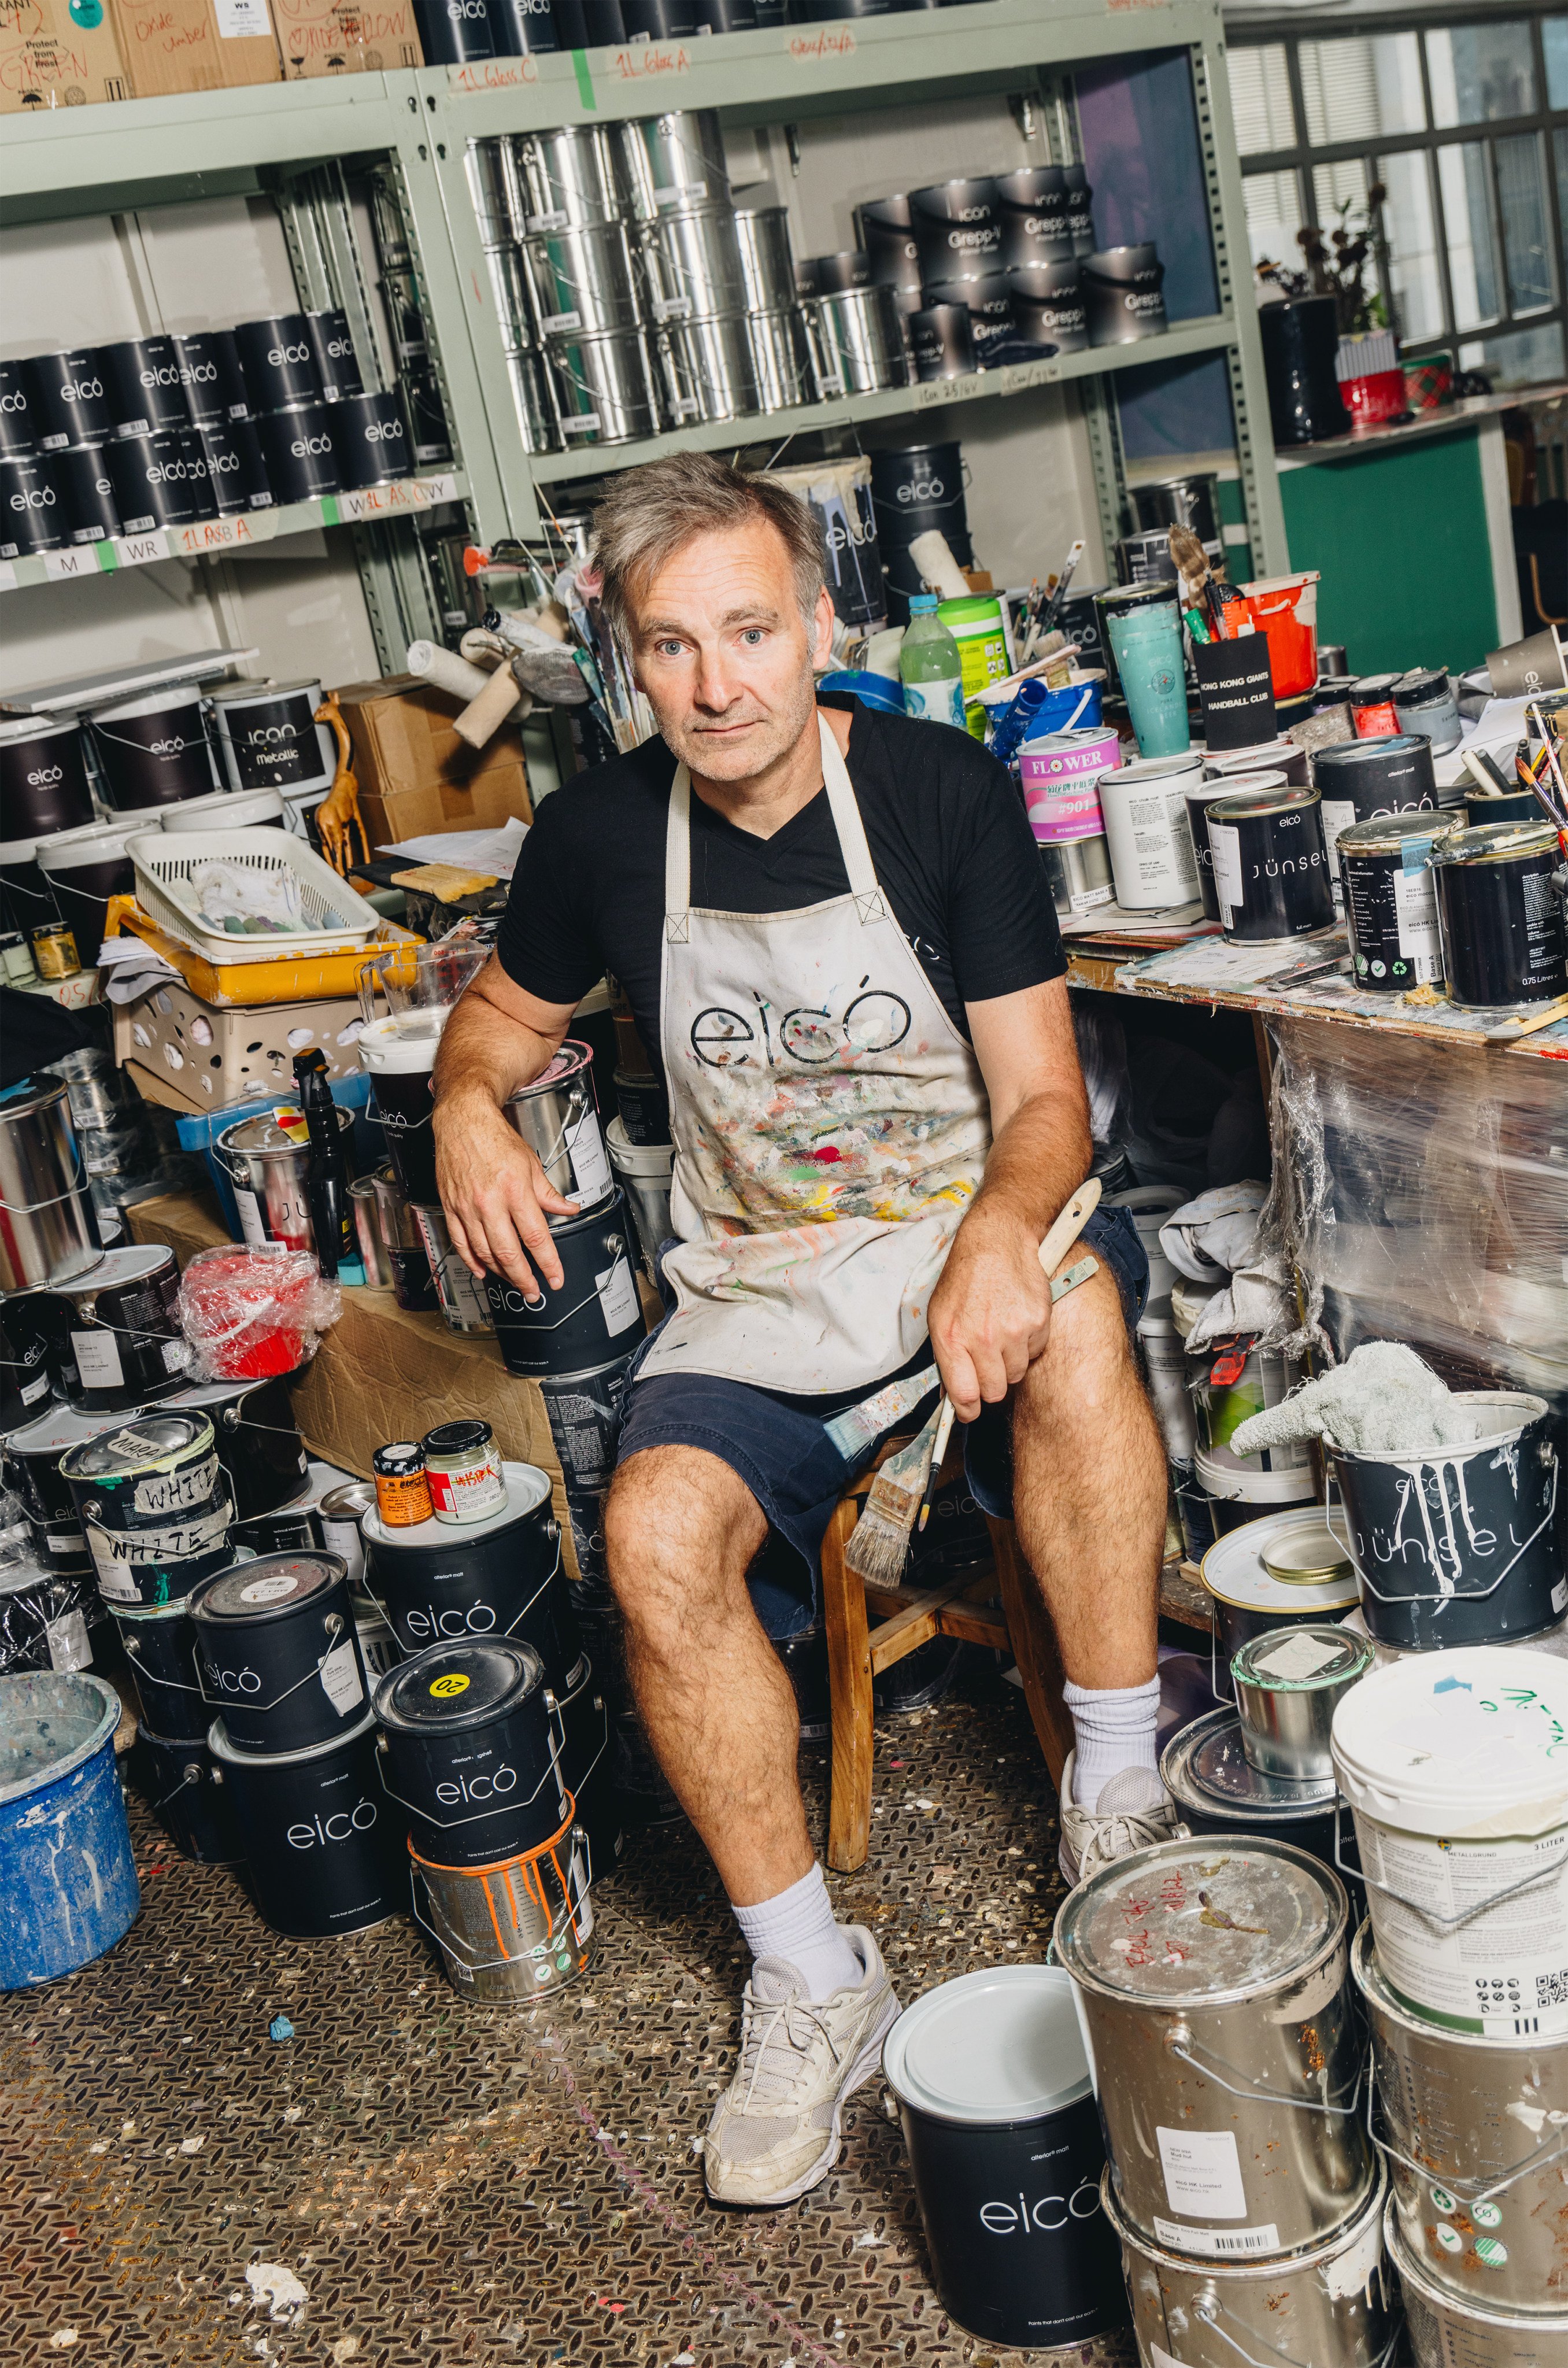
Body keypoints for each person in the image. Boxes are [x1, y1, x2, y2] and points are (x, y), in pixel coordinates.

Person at [431, 453, 1170, 2211]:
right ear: (629, 661)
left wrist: (1000, 1238)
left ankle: (1123, 1807)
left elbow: (1044, 1101)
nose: (718, 684)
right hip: (762, 1280)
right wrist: (468, 1104)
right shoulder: (600, 838)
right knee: (652, 1533)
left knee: (1080, 1330)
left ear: (820, 625)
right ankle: (808, 1983)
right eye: (673, 647)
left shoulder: (940, 791)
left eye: (751, 633)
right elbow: (494, 1022)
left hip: (960, 1227)